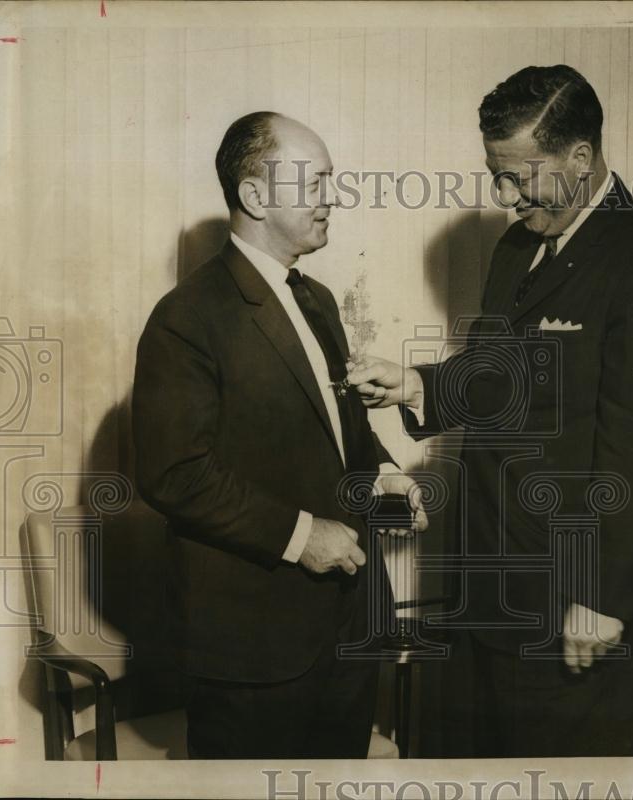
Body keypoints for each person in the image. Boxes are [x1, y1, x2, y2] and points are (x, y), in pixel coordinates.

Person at [347, 65, 633, 757]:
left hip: (576, 600)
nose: (506, 196)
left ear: (580, 157)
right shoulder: (518, 248)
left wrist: (601, 601)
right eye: (496, 175)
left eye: (520, 176)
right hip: (487, 586)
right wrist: (418, 386)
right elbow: (504, 379)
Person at [132, 112, 426, 759]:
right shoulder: (186, 317)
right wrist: (301, 537)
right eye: (316, 181)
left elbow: (334, 428)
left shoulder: (317, 297)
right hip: (251, 652)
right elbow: (173, 473)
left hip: (346, 629)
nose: (333, 198)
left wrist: (385, 474)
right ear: (256, 196)